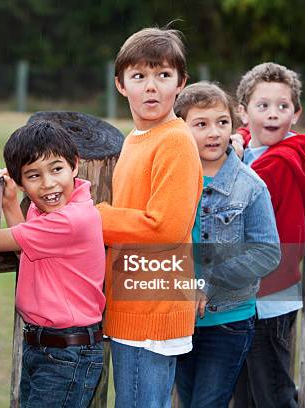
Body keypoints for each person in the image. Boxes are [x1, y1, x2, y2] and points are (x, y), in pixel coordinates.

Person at [96, 27, 203, 407]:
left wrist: (97, 219)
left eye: (163, 75)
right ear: (121, 85)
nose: (152, 87)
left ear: (181, 83)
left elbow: (166, 227)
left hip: (152, 310)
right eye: (139, 76)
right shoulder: (136, 138)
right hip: (132, 303)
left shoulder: (174, 139)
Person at [172, 82, 281, 407]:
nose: (214, 133)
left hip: (229, 321)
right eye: (201, 124)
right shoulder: (172, 183)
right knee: (187, 401)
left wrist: (209, 281)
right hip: (178, 320)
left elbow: (267, 252)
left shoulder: (250, 187)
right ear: (180, 128)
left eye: (222, 122)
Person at [0, 120, 105, 408]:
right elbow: (24, 251)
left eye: (56, 169)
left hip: (67, 354)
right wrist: (10, 204)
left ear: (74, 166)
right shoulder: (47, 213)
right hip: (48, 348)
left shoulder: (71, 219)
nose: (49, 183)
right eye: (33, 175)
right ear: (21, 181)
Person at [232, 62, 305, 408]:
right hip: (248, 297)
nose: (273, 115)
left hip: (269, 296)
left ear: (296, 113)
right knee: (245, 394)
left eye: (283, 106)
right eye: (262, 106)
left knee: (272, 392)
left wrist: (233, 158)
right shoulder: (250, 150)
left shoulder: (281, 164)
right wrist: (238, 143)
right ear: (242, 112)